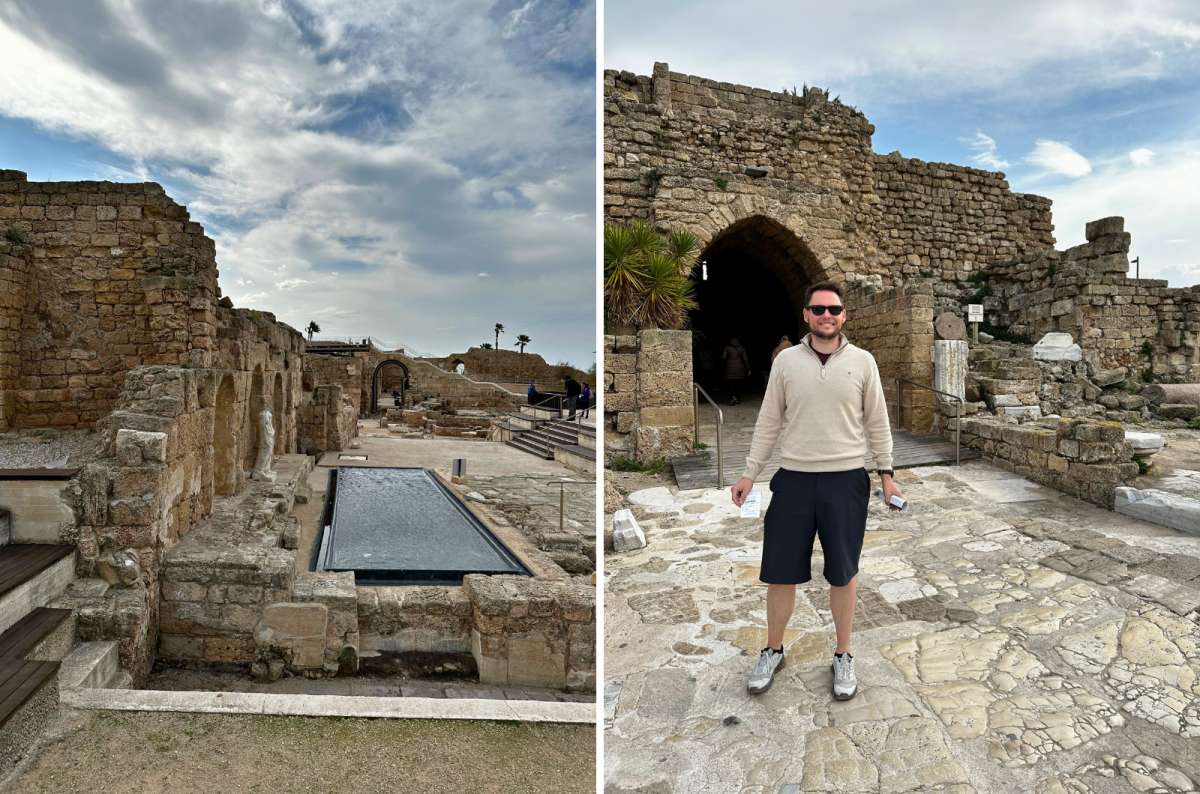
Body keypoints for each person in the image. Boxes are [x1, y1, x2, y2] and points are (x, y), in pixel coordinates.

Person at [730, 280, 904, 702]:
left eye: (834, 310)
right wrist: (750, 473)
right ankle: (773, 649)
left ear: (844, 316)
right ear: (806, 314)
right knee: (779, 571)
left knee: (843, 572)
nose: (827, 316)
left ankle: (843, 653)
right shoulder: (786, 362)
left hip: (846, 479)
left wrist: (887, 473)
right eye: (819, 309)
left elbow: (877, 421)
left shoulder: (863, 362)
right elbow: (769, 420)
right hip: (794, 478)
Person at [722, 336, 751, 405]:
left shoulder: (727, 348)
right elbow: (745, 359)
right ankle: (738, 399)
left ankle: (733, 397)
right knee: (738, 384)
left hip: (729, 369)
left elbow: (723, 357)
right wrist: (748, 369)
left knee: (731, 384)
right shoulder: (741, 348)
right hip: (740, 369)